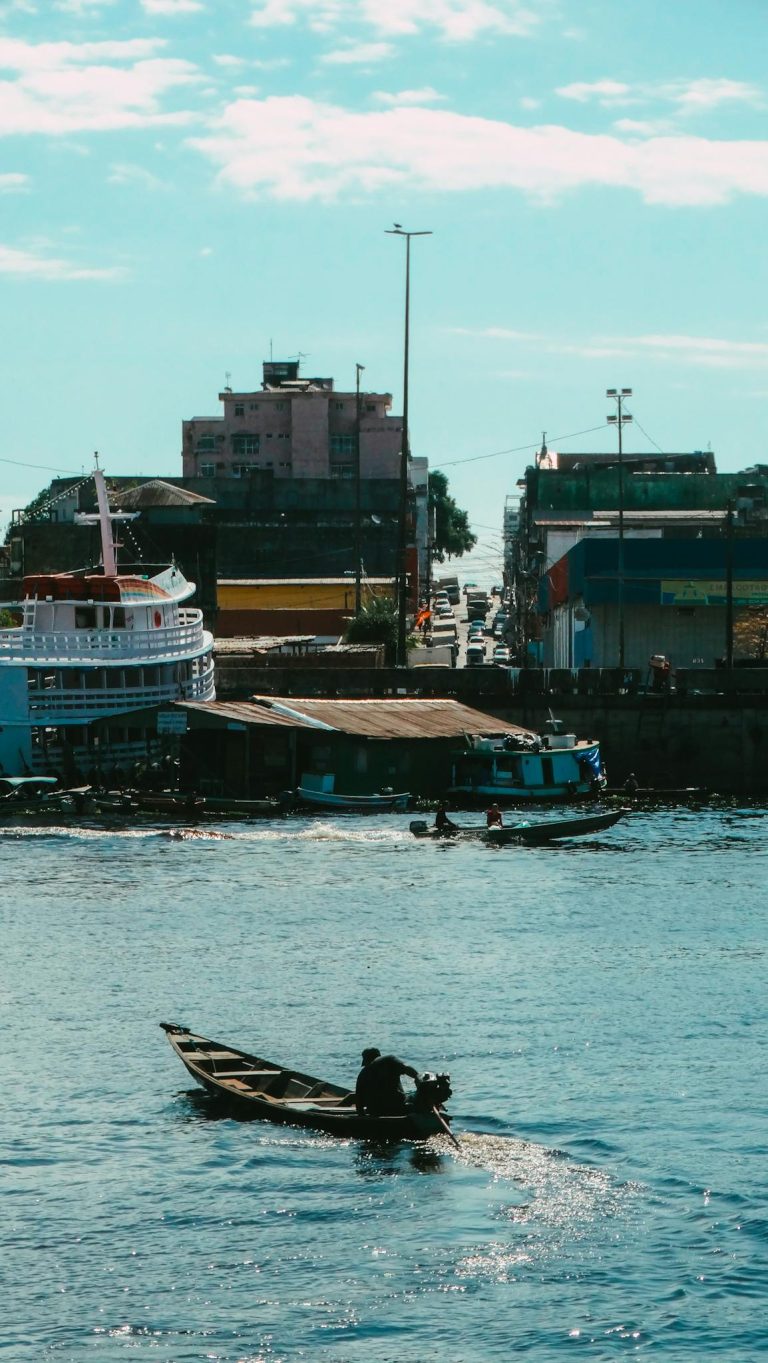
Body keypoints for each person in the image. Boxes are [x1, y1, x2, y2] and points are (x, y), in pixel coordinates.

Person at [355, 1047, 420, 1118]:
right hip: (398, 1107)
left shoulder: (362, 1074)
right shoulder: (388, 1059)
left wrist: (364, 1119)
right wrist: (419, 1079)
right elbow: (407, 1069)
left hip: (375, 1111)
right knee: (414, 1096)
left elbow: (358, 1102)